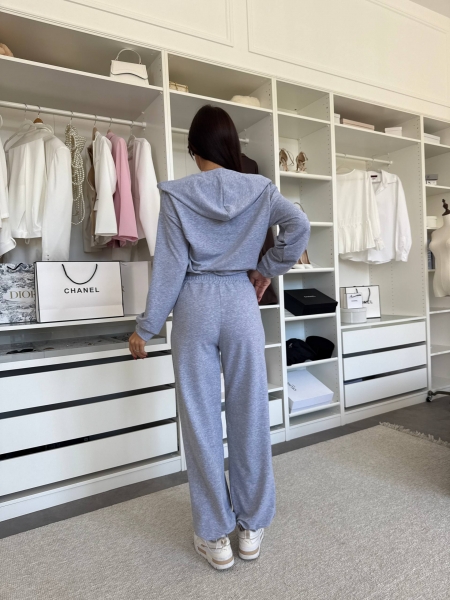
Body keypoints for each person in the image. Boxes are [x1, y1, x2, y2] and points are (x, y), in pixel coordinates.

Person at [129, 105, 310, 570]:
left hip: (194, 305)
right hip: (240, 301)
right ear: (231, 146)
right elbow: (299, 226)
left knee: (201, 420)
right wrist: (266, 269)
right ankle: (250, 527)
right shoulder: (260, 189)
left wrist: (147, 326)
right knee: (251, 413)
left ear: (193, 149)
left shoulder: (177, 195)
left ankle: (215, 536)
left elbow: (170, 267)